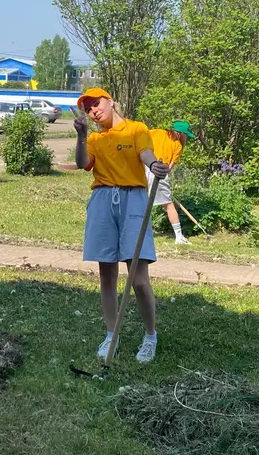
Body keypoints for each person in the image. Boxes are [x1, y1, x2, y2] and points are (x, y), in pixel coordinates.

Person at [73, 87, 169, 364]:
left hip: (133, 201)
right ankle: (111, 335)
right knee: (107, 276)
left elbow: (146, 155)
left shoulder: (136, 129)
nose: (93, 110)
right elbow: (83, 164)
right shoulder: (94, 138)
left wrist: (155, 166)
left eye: (96, 103)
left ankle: (150, 336)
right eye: (88, 108)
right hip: (103, 199)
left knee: (138, 279)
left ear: (111, 101)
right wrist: (81, 137)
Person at [145, 121, 196, 245]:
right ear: (180, 134)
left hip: (144, 167)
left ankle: (138, 233)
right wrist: (163, 181)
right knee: (168, 204)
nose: (186, 138)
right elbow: (169, 168)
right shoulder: (178, 145)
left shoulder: (156, 132)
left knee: (142, 202)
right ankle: (179, 237)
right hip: (160, 172)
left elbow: (140, 140)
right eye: (185, 135)